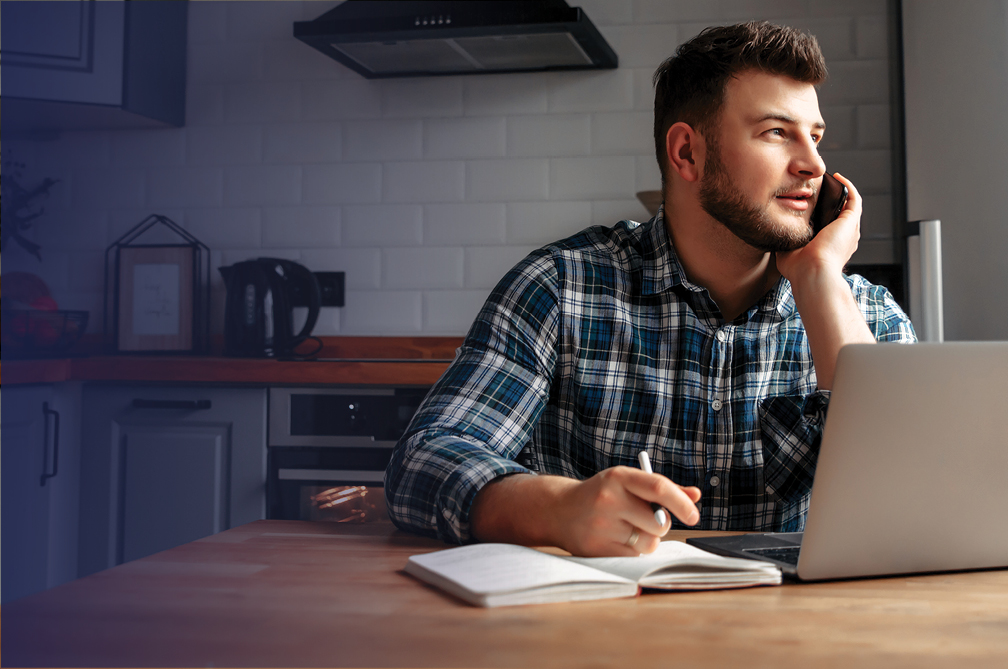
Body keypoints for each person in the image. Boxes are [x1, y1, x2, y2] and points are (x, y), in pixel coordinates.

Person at [384, 21, 916, 557]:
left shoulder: (868, 314)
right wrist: (558, 509)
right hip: (599, 628)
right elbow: (424, 461)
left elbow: (915, 497)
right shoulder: (559, 287)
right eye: (777, 132)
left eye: (815, 136)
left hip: (800, 634)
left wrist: (821, 277)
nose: (814, 165)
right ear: (687, 153)